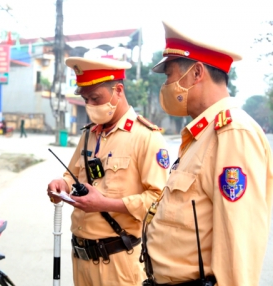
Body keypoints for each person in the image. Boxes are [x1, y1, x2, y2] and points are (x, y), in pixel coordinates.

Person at [142, 21, 273, 286]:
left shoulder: (232, 133)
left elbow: (238, 245)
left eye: (169, 75)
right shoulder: (202, 134)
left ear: (197, 72)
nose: (166, 85)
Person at [47, 57, 169, 285]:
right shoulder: (89, 134)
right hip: (81, 259)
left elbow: (158, 201)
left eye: (96, 98)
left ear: (118, 90)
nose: (91, 105)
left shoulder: (146, 137)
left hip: (118, 263)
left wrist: (105, 204)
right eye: (86, 100)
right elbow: (71, 175)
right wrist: (60, 185)